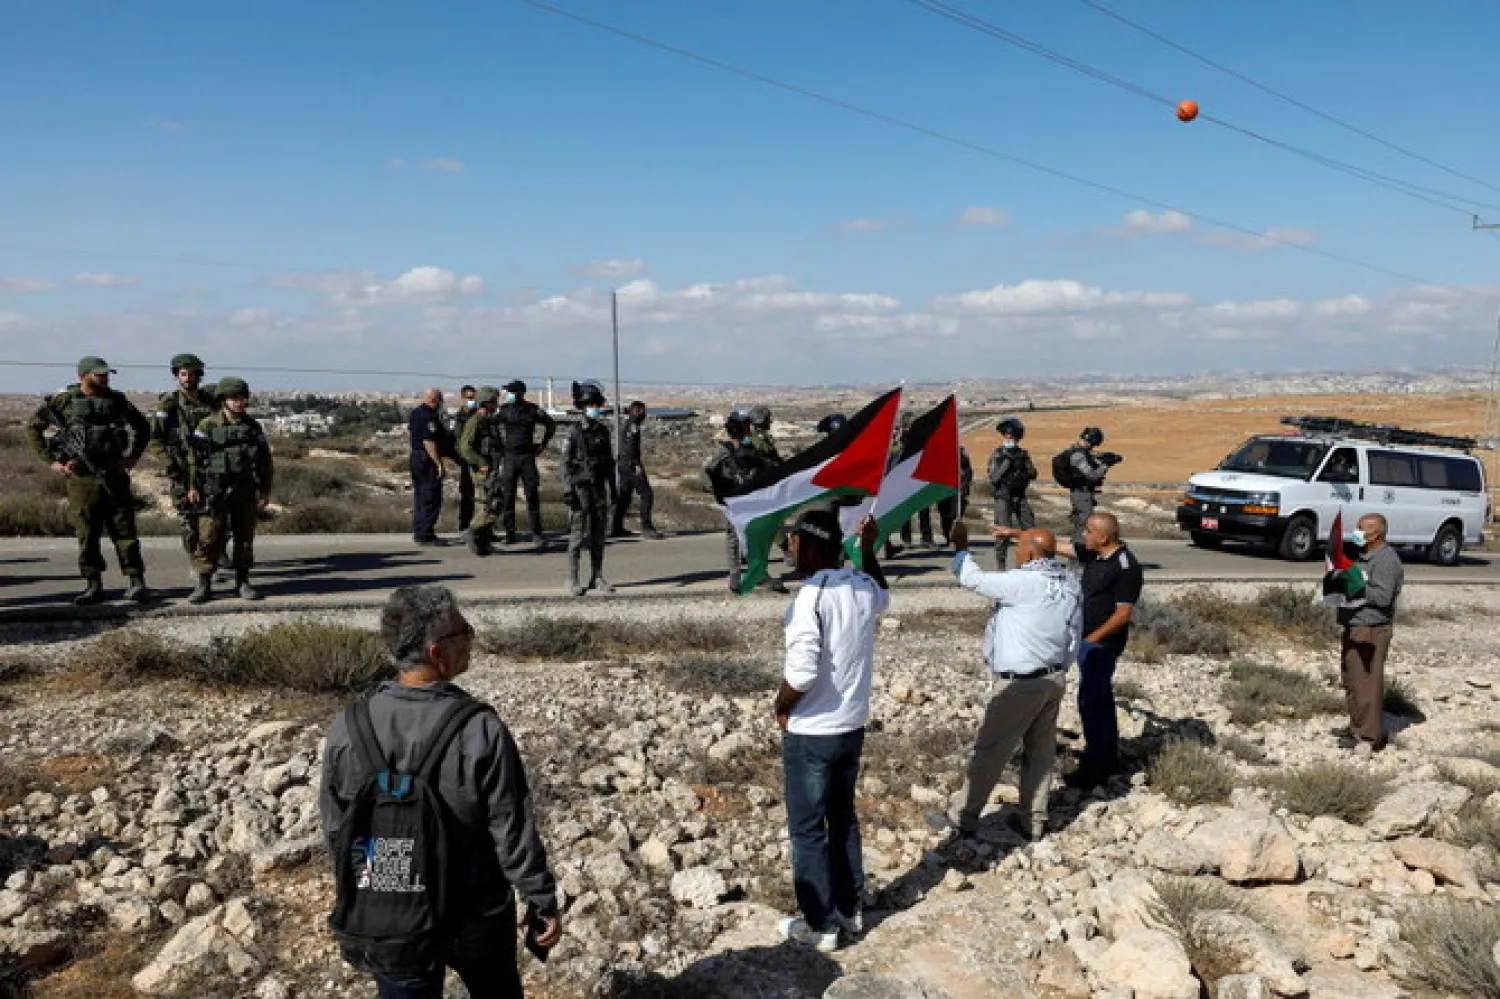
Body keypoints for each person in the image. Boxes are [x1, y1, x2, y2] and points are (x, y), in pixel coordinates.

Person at [319, 585, 562, 998]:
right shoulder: (479, 729)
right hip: (475, 910)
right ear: (437, 653)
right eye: (463, 631)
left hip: (391, 912)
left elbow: (337, 827)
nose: (470, 639)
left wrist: (362, 892)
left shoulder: (348, 727)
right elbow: (510, 829)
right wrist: (540, 899)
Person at [774, 510, 888, 952]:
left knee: (807, 829)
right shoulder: (859, 585)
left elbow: (801, 674)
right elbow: (883, 596)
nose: (790, 547)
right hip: (851, 726)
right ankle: (850, 908)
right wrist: (869, 551)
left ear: (812, 544)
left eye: (795, 539)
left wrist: (780, 706)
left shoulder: (811, 598)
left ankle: (821, 924)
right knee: (842, 819)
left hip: (813, 731)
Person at [946, 521, 1082, 842]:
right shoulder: (1069, 583)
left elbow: (972, 579)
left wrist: (960, 546)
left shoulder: (1024, 582)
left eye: (1019, 547)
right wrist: (1061, 667)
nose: (1016, 553)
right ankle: (1033, 820)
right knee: (1040, 753)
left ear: (1032, 552)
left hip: (1019, 684)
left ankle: (963, 818)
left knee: (991, 750)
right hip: (1053, 678)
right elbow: (1074, 633)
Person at [1000, 511, 1142, 787]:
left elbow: (1123, 613)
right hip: (1085, 639)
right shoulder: (1096, 554)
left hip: (1101, 645)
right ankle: (1104, 756)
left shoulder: (1125, 566)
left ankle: (1098, 765)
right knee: (1095, 699)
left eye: (1089, 531)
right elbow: (1056, 547)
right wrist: (1015, 534)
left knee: (1093, 700)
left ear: (1103, 536)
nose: (1083, 536)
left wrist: (1093, 639)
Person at [25, 356, 153, 604]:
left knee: (125, 531)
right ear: (82, 376)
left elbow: (142, 427)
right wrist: (52, 461)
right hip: (82, 478)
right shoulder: (63, 401)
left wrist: (131, 458)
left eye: (106, 374)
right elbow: (33, 428)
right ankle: (93, 584)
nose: (104, 378)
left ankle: (137, 581)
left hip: (114, 474)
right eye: (98, 374)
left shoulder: (117, 400)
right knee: (87, 533)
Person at [186, 377, 273, 604]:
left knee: (244, 537)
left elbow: (264, 461)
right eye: (234, 399)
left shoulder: (252, 427)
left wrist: (264, 490)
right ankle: (203, 584)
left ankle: (242, 582)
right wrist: (193, 486)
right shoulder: (207, 425)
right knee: (209, 535)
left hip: (244, 489)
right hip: (214, 488)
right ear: (224, 400)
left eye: (242, 398)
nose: (239, 403)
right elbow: (194, 459)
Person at [1335, 513, 1404, 752]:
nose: (1356, 533)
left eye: (1361, 529)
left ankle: (1367, 737)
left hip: (1371, 630)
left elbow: (1383, 596)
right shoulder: (1362, 556)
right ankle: (1356, 726)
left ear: (1375, 535)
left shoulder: (1386, 560)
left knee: (1366, 684)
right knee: (1352, 680)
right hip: (1355, 625)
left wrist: (1357, 586)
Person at [150, 353, 218, 559]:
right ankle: (196, 560)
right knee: (188, 517)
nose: (188, 378)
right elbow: (155, 439)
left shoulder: (210, 401)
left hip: (210, 466)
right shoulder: (169, 404)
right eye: (183, 374)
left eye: (192, 374)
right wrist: (169, 462)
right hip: (181, 467)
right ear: (177, 376)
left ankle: (214, 553)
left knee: (217, 514)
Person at [703, 415, 780, 593]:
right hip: (742, 500)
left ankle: (737, 577)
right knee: (749, 538)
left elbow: (707, 474)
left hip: (737, 501)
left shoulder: (727, 450)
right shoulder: (733, 451)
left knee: (736, 539)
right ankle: (752, 575)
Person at [562, 381, 615, 597]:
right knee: (576, 535)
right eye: (591, 404)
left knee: (598, 535)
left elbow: (609, 462)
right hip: (579, 488)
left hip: (598, 487)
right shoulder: (574, 431)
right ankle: (573, 578)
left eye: (597, 404)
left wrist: (614, 487)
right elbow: (564, 463)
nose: (595, 408)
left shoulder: (603, 431)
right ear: (583, 406)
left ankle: (597, 576)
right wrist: (567, 489)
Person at [494, 380, 557, 550]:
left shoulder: (532, 410)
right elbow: (491, 426)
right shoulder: (504, 410)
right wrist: (499, 446)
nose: (509, 395)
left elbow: (550, 424)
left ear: (520, 393)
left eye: (512, 392)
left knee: (532, 495)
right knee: (508, 496)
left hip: (527, 456)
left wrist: (543, 444)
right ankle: (510, 533)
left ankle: (536, 532)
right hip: (509, 457)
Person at [458, 386, 502, 556]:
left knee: (490, 502)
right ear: (486, 403)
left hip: (492, 467)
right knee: (492, 504)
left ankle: (482, 543)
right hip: (482, 471)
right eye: (494, 402)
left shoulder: (489, 421)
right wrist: (480, 462)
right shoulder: (475, 421)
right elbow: (465, 447)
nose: (496, 404)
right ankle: (473, 530)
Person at [988, 417, 1037, 569]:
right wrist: (1007, 462)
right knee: (1003, 531)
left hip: (1020, 496)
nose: (1009, 438)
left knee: (1030, 529)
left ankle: (1028, 562)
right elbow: (994, 478)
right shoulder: (997, 454)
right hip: (1003, 497)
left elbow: (1033, 473)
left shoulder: (1023, 454)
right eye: (1007, 435)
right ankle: (1001, 565)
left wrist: (1023, 463)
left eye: (1012, 436)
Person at [1058, 427, 1121, 545]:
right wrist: (1105, 465)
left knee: (1082, 526)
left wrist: (1105, 458)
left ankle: (1079, 556)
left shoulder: (1080, 452)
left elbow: (1092, 458)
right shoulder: (1078, 455)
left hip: (1083, 494)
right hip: (1081, 494)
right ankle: (1077, 558)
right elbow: (1093, 476)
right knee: (1083, 527)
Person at [611, 400, 664, 540]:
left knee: (625, 496)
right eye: (642, 411)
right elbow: (630, 447)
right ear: (637, 411)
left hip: (624, 464)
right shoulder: (632, 425)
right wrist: (635, 464)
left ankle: (617, 527)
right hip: (630, 465)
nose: (644, 414)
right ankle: (646, 528)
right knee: (647, 494)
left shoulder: (629, 424)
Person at [408, 388, 448, 546]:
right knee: (430, 496)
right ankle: (425, 534)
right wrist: (439, 464)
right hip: (426, 459)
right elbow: (428, 441)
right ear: (436, 400)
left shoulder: (416, 412)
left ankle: (419, 531)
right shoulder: (429, 416)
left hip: (416, 457)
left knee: (420, 496)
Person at [452, 385, 479, 534]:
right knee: (467, 495)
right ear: (463, 398)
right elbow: (457, 438)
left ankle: (483, 528)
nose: (472, 400)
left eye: (473, 397)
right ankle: (465, 526)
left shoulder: (480, 414)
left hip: (481, 459)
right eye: (469, 398)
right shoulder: (460, 416)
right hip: (466, 460)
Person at [937, 445, 974, 547]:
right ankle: (948, 536)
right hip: (943, 490)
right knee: (944, 515)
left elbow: (968, 472)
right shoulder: (939, 454)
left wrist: (964, 487)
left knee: (955, 515)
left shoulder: (962, 454)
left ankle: (955, 538)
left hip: (958, 490)